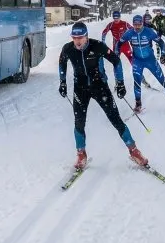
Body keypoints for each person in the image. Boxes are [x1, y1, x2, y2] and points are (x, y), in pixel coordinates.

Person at [59, 21, 149, 169]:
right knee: (79, 122)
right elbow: (62, 62)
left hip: (100, 87)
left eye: (80, 37)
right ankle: (81, 154)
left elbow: (116, 60)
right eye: (74, 38)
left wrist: (120, 82)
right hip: (80, 89)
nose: (77, 41)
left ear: (86, 36)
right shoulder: (68, 48)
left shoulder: (97, 46)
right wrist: (62, 82)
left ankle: (134, 151)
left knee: (116, 119)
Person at [116, 15, 165, 113]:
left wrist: (163, 55)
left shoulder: (149, 32)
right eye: (135, 24)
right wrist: (117, 54)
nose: (137, 27)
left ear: (142, 23)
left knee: (162, 80)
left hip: (150, 60)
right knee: (136, 82)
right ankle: (138, 104)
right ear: (133, 24)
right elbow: (119, 43)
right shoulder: (129, 33)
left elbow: (161, 42)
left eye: (139, 24)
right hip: (137, 61)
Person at [103, 10, 151, 88]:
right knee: (116, 64)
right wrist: (103, 42)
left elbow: (134, 30)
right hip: (116, 48)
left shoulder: (124, 23)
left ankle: (143, 81)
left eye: (117, 17)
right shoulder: (111, 25)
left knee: (134, 63)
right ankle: (117, 82)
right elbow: (104, 32)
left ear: (120, 17)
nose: (116, 19)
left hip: (126, 47)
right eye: (114, 17)